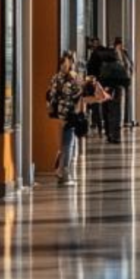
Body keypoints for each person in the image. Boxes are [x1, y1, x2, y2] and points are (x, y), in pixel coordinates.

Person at [47, 52, 106, 186]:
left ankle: (62, 170)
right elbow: (78, 94)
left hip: (61, 115)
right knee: (69, 144)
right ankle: (64, 173)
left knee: (65, 144)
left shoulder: (55, 78)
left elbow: (52, 96)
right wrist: (86, 84)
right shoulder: (71, 79)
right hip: (70, 114)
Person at [95, 40, 129, 143]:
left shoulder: (104, 66)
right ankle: (116, 135)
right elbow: (126, 80)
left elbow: (100, 79)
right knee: (116, 113)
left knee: (107, 112)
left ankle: (109, 133)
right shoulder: (119, 66)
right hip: (117, 92)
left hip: (106, 91)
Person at [113, 37, 135, 127]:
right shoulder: (114, 53)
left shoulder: (124, 52)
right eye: (119, 44)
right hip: (119, 79)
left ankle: (127, 119)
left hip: (126, 78)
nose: (121, 46)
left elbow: (130, 63)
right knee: (120, 100)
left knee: (127, 99)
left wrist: (131, 72)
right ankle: (120, 121)